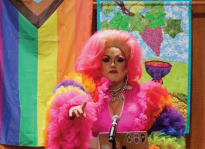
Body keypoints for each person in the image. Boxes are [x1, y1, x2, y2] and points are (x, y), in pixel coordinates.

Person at [43, 30, 186, 149]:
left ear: (128, 63)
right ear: (98, 63)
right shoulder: (85, 91)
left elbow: (167, 134)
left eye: (119, 59)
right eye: (106, 59)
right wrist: (70, 114)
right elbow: (62, 119)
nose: (112, 64)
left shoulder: (148, 97)